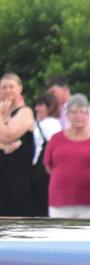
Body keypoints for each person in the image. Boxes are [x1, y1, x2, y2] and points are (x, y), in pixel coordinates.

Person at [43, 94, 90, 219]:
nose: (78, 116)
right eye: (74, 112)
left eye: (82, 112)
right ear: (67, 115)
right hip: (60, 201)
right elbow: (48, 165)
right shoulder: (56, 139)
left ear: (88, 115)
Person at [0, 73, 41, 217]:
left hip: (19, 177)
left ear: (20, 88)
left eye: (11, 86)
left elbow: (8, 134)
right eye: (4, 87)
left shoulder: (25, 112)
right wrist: (3, 146)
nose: (7, 90)